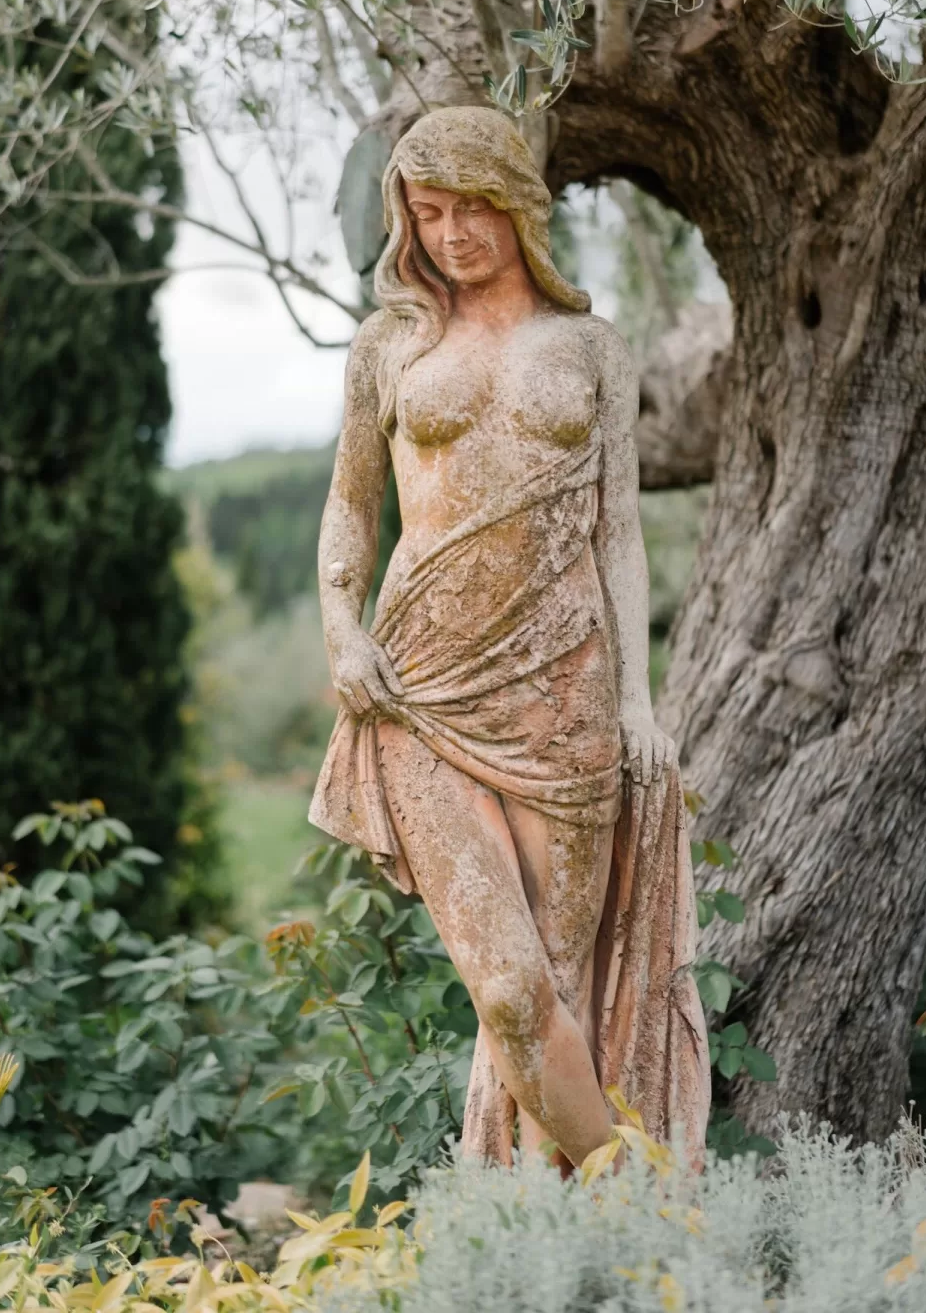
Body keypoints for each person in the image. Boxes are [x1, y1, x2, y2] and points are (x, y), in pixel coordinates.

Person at [311, 105, 709, 1170]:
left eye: (468, 207)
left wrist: (637, 701)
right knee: (507, 986)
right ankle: (650, 1211)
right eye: (425, 214)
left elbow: (617, 531)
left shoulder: (590, 347)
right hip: (420, 688)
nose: (448, 235)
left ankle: (539, 1236)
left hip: (566, 693)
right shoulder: (390, 347)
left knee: (555, 996)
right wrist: (341, 630)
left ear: (515, 203)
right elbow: (351, 506)